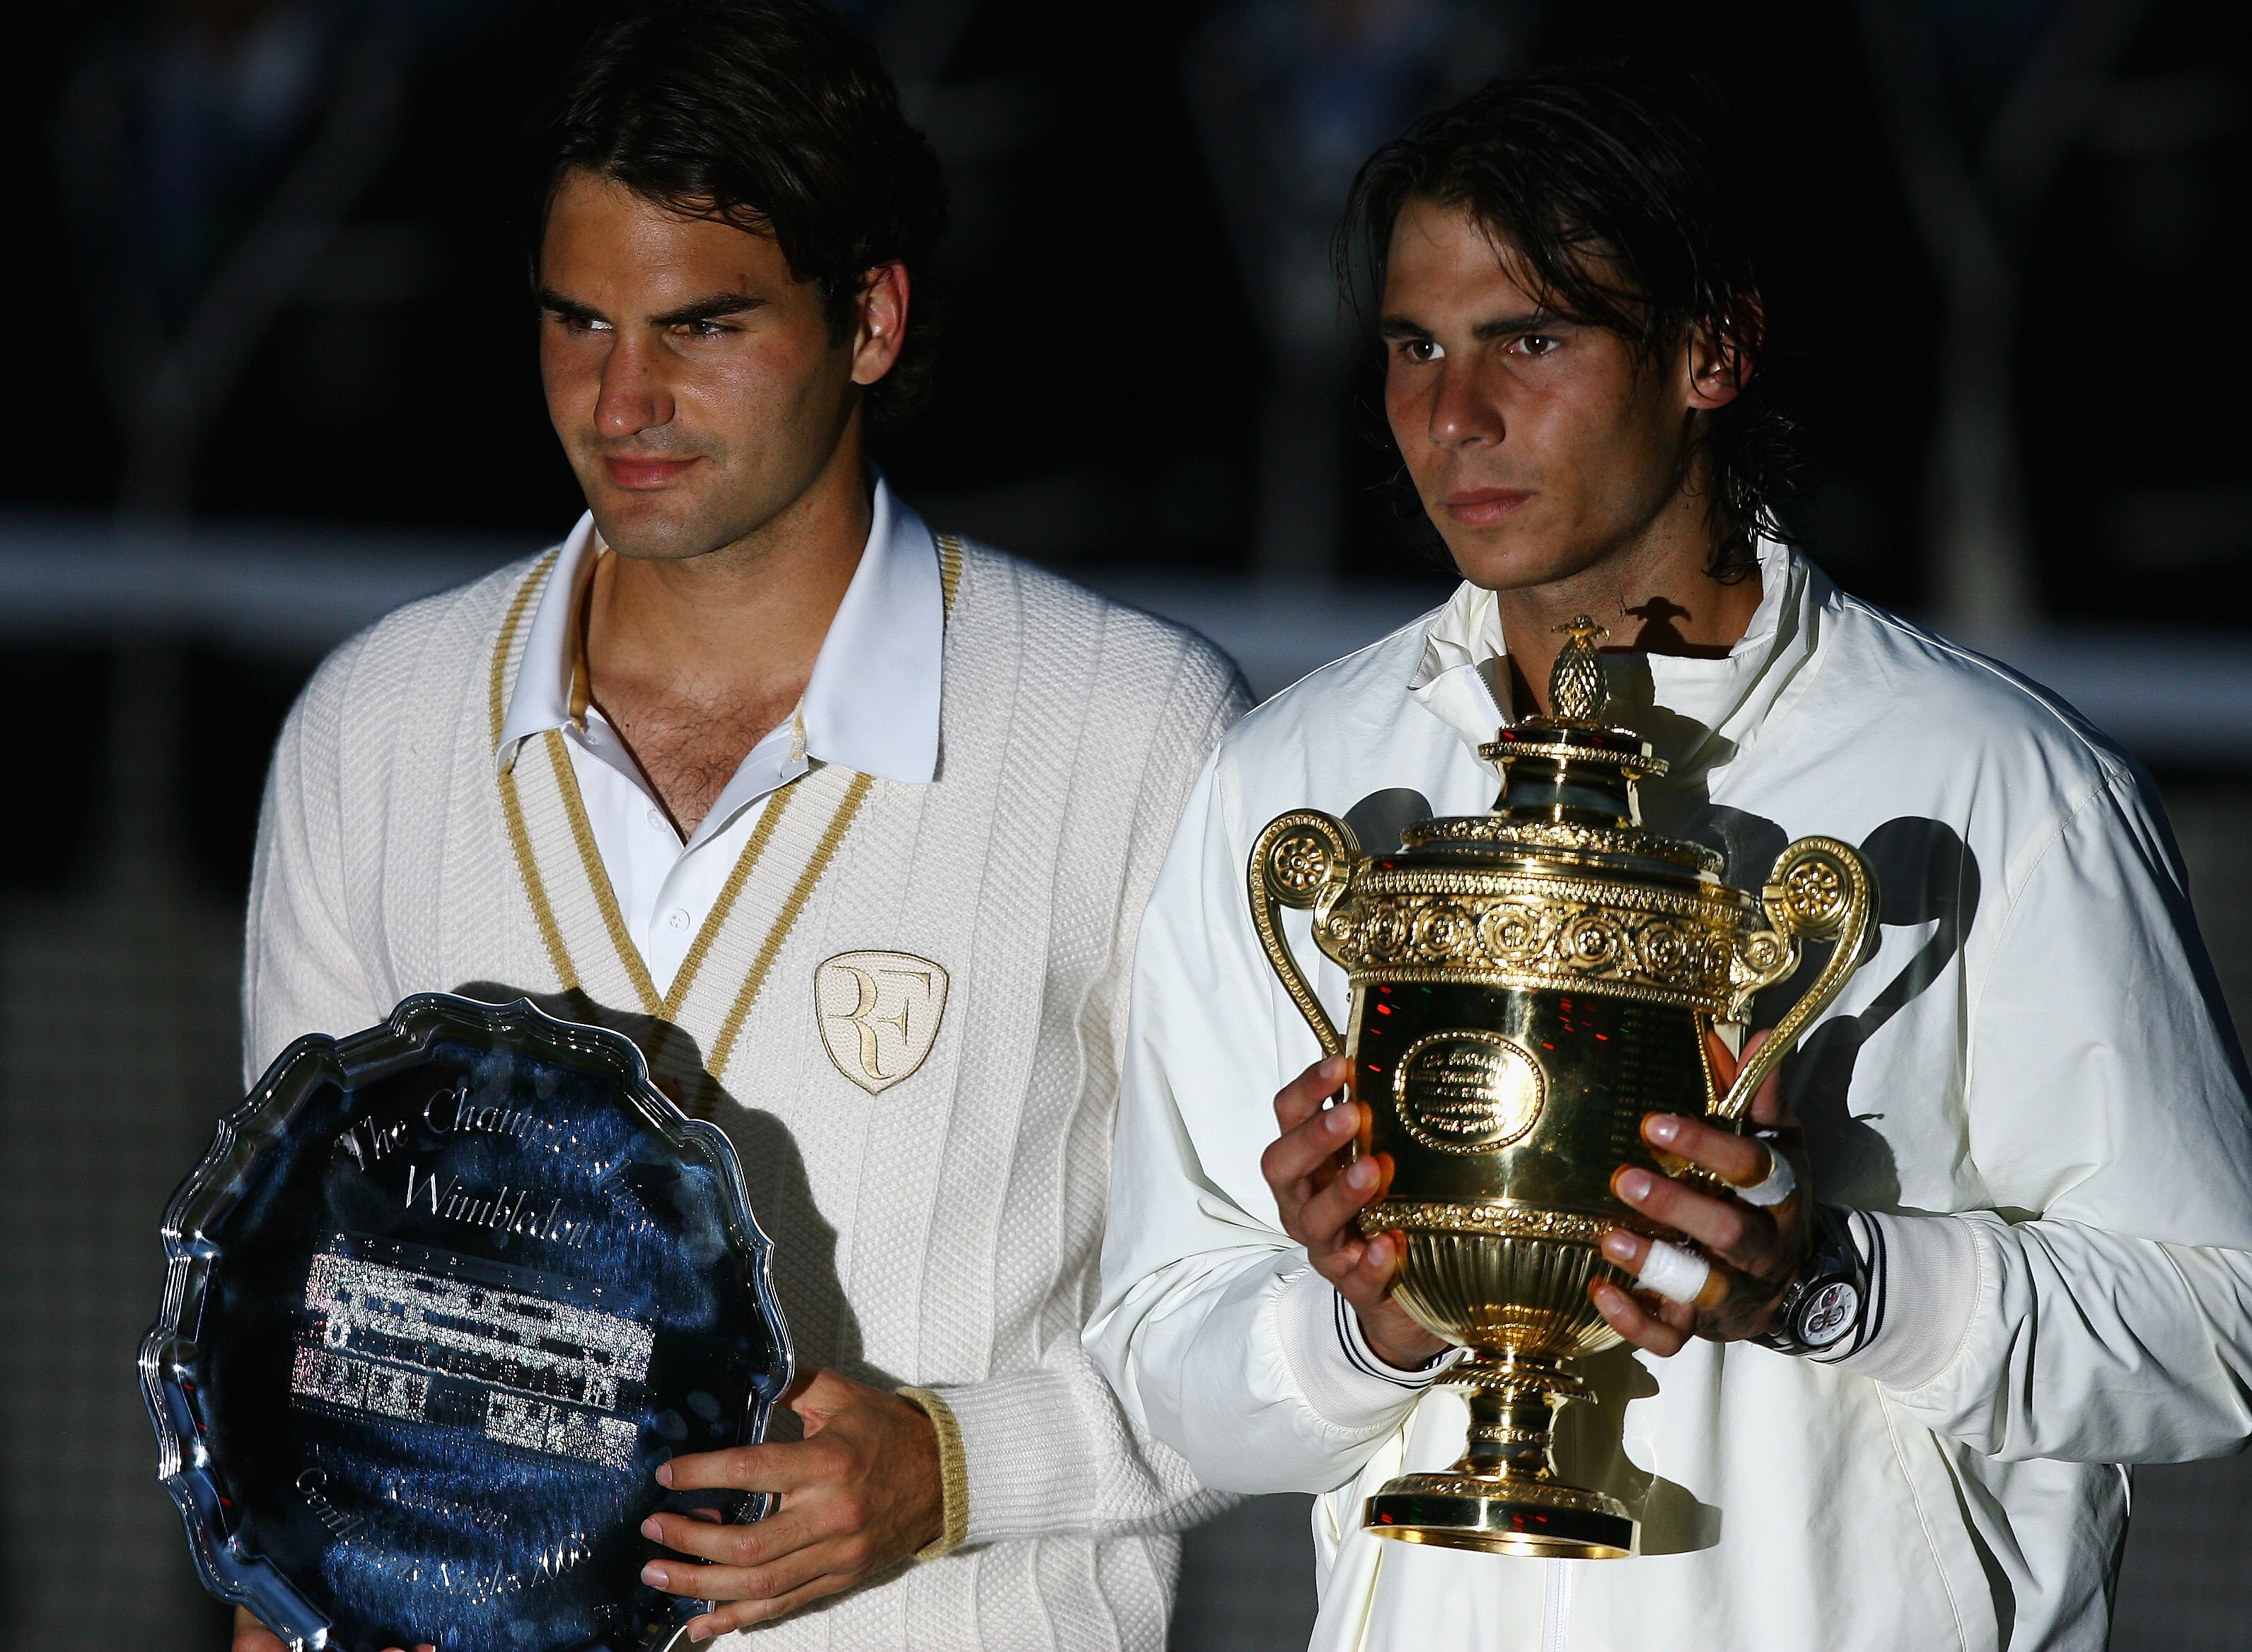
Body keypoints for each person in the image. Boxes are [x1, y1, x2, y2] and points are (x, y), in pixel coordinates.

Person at [1086, 66, 2252, 1652]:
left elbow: (2215, 1325)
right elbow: (1166, 1366)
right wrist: (1365, 1324)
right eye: (1414, 347)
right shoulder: (1289, 782)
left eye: (1531, 339)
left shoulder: (1999, 783)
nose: (1455, 415)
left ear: (1711, 349)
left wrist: (1829, 1280)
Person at [236, 4, 1246, 1647]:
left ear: (868, 319)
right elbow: (307, 1315)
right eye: (577, 322)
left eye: (700, 326)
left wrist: (958, 1466)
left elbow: (1292, 1318)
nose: (622, 396)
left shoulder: (1135, 728)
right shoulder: (377, 721)